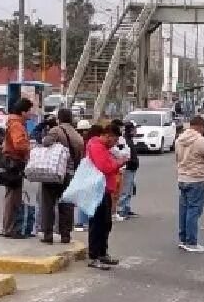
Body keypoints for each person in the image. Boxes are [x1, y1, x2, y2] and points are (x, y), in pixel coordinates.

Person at [85, 123, 127, 270]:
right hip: (98, 190)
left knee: (106, 223)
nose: (114, 143)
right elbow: (105, 167)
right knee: (97, 224)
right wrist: (119, 163)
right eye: (114, 140)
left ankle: (102, 252)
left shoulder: (104, 148)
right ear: (108, 136)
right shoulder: (96, 146)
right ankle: (94, 256)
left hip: (105, 189)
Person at [39, 108, 84, 244]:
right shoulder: (78, 136)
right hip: (69, 174)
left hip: (53, 173)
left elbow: (45, 143)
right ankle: (65, 235)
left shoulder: (56, 131)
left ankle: (48, 234)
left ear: (59, 118)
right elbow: (79, 157)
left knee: (48, 204)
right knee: (67, 205)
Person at [175, 115, 204, 252]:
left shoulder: (179, 139)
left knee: (184, 210)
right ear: (201, 126)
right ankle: (191, 242)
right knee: (194, 211)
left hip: (182, 178)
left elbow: (177, 158)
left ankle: (183, 239)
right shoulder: (201, 141)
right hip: (197, 179)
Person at [0, 97, 33, 238]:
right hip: (14, 163)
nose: (31, 113)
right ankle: (10, 229)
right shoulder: (17, 125)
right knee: (13, 197)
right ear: (23, 112)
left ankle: (8, 227)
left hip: (12, 162)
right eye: (29, 111)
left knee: (12, 196)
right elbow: (19, 144)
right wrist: (31, 147)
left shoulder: (15, 122)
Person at [117, 121, 140, 220]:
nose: (136, 131)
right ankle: (121, 210)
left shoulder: (129, 140)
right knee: (125, 190)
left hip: (132, 168)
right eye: (134, 129)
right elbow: (124, 155)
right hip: (128, 168)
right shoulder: (125, 141)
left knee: (130, 189)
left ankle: (126, 208)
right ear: (130, 130)